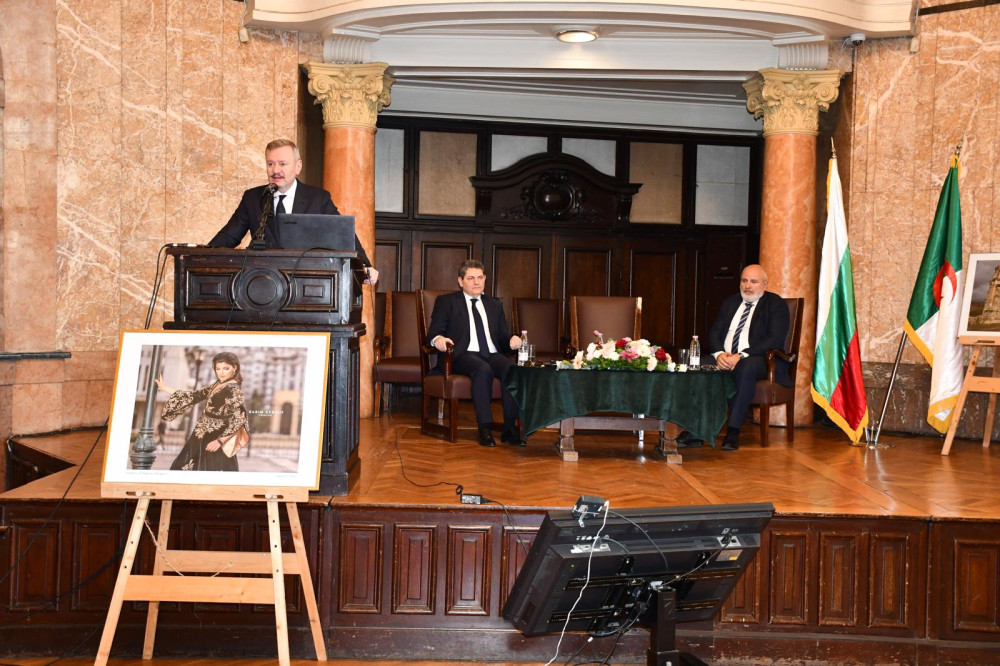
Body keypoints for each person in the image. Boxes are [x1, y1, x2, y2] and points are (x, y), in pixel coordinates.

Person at [208, 138, 378, 285]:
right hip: (263, 283)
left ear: (298, 166)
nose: (275, 170)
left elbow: (341, 234)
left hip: (305, 283)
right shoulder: (253, 198)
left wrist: (364, 265)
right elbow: (228, 236)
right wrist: (203, 257)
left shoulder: (318, 199)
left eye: (282, 164)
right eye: (270, 164)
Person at [676, 264, 790, 451]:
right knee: (696, 365)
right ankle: (695, 431)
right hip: (726, 355)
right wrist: (719, 354)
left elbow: (774, 339)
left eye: (753, 282)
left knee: (746, 367)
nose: (747, 286)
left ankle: (733, 431)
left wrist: (740, 355)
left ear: (765, 284)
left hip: (758, 359)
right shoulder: (731, 302)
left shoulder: (775, 304)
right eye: (744, 281)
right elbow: (714, 333)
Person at [425, 260, 525, 448]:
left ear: (485, 279)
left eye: (480, 277)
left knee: (512, 369)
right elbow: (433, 333)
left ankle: (510, 429)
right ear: (460, 281)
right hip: (462, 355)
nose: (476, 282)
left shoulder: (494, 305)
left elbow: (503, 337)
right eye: (471, 278)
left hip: (492, 353)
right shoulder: (447, 302)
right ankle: (485, 428)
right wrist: (438, 339)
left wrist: (512, 340)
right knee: (483, 369)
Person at [156, 351, 250, 471]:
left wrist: (220, 441)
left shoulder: (234, 390)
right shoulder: (218, 384)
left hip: (214, 438)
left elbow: (240, 419)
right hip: (200, 435)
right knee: (182, 467)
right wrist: (164, 388)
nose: (221, 372)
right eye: (218, 369)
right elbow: (195, 395)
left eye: (226, 368)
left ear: (235, 368)